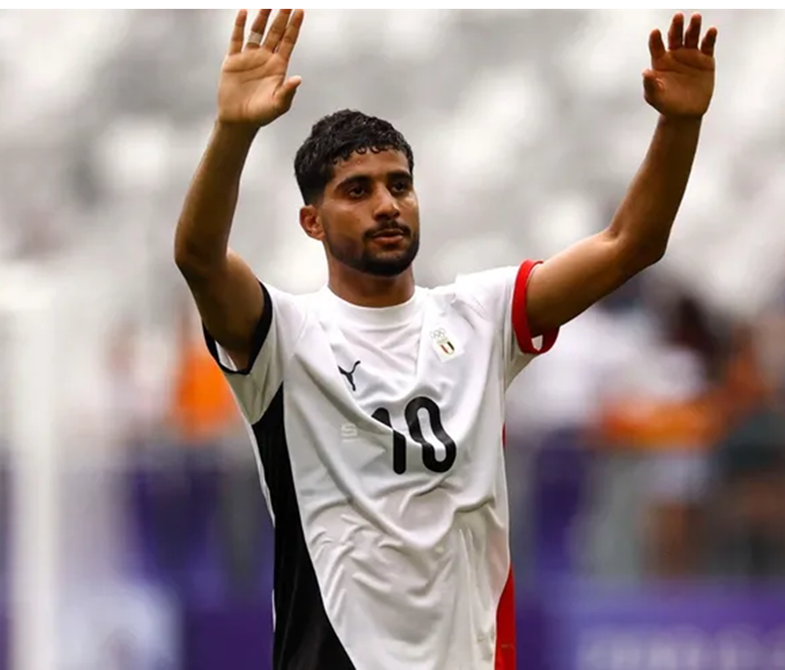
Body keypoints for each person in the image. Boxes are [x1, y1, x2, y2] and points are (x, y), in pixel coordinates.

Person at [173, 8, 717, 670]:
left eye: (399, 185)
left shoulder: (481, 316)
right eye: (357, 191)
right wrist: (233, 130)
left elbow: (631, 243)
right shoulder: (284, 335)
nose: (386, 204)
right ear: (312, 222)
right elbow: (199, 258)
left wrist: (679, 123)